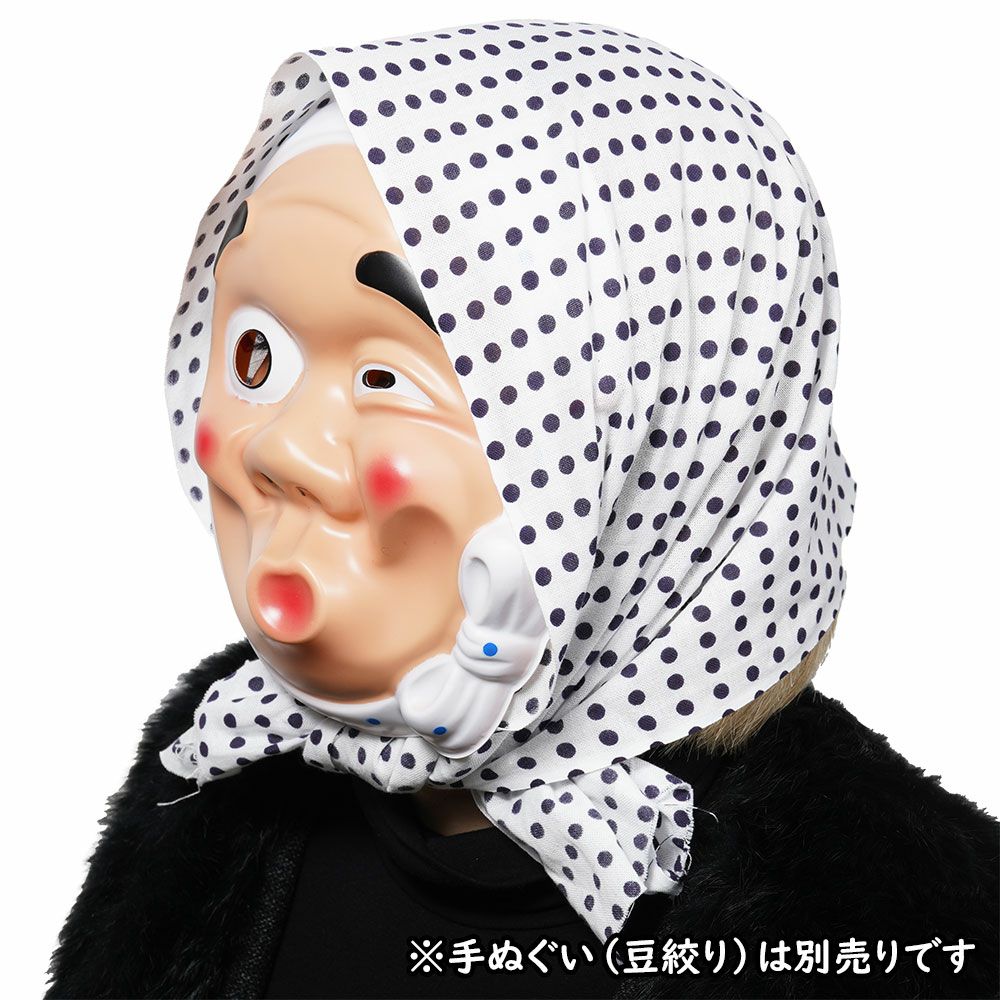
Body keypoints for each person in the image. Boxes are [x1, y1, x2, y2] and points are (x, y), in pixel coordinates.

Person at [45, 18, 999, 1000]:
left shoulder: (914, 922)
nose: (278, 446)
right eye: (257, 353)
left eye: (386, 376)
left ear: (663, 437)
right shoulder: (211, 774)